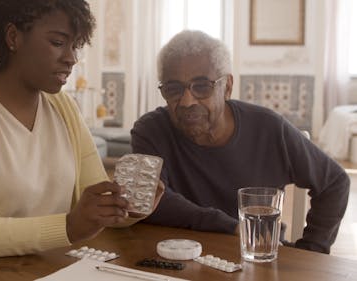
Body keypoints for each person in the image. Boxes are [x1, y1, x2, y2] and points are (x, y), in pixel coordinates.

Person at [0, 0, 163, 270]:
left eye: (76, 45)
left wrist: (126, 206)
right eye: (58, 42)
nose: (71, 58)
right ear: (13, 37)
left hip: (47, 271)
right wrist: (66, 227)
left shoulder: (64, 108)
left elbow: (96, 203)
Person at [131, 30, 349, 254]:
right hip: (174, 259)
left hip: (255, 258)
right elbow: (149, 200)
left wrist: (312, 252)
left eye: (202, 85)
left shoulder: (269, 128)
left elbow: (334, 182)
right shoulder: (150, 131)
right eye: (173, 89)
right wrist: (232, 227)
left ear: (226, 87)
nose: (187, 101)